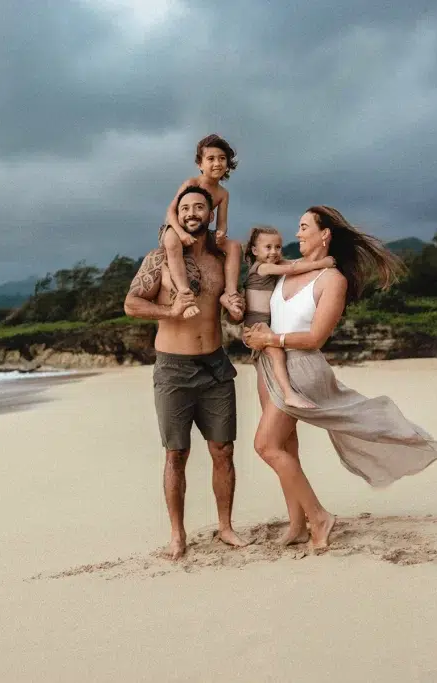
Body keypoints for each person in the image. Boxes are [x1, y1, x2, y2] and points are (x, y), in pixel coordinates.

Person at [243, 206, 437, 551]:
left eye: (303, 227)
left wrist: (273, 339)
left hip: (301, 366)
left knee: (265, 445)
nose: (296, 234)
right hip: (268, 364)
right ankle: (297, 523)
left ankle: (318, 516)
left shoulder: (332, 280)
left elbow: (314, 338)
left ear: (324, 234)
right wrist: (255, 329)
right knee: (285, 445)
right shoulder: (286, 273)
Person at [125, 185, 248, 560]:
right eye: (186, 208)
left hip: (215, 366)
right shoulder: (158, 259)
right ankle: (177, 535)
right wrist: (170, 312)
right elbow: (132, 304)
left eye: (200, 207)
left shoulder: (220, 260)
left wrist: (236, 306)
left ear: (211, 214)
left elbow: (232, 307)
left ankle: (225, 527)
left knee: (223, 450)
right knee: (176, 454)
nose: (193, 213)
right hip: (174, 370)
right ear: (176, 215)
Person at [242, 224, 335, 410]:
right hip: (256, 325)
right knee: (277, 354)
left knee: (271, 357)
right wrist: (321, 264)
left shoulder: (273, 265)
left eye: (278, 247)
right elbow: (292, 269)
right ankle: (288, 394)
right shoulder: (262, 268)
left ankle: (280, 392)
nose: (274, 252)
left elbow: (292, 263)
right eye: (267, 247)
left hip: (264, 325)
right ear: (254, 250)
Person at [159, 134, 244, 322]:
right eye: (211, 159)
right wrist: (181, 233)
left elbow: (221, 222)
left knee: (234, 246)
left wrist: (221, 233)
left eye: (222, 159)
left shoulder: (222, 193)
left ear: (228, 164)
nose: (217, 163)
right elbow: (170, 212)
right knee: (172, 240)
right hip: (177, 227)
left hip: (202, 230)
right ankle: (184, 293)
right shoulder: (192, 183)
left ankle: (230, 293)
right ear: (200, 163)